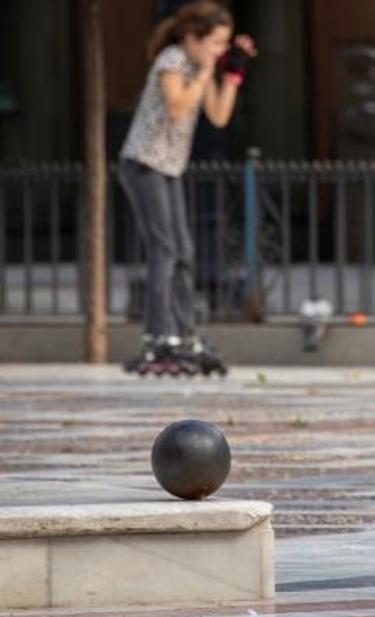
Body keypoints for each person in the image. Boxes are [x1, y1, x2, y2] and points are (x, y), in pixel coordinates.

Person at [119, 0, 256, 376]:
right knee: (164, 249)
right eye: (214, 43)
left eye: (223, 43)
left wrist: (232, 74)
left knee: (185, 250)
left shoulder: (197, 65)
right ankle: (158, 336)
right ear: (193, 38)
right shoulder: (173, 60)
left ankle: (184, 334)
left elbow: (218, 115)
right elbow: (178, 107)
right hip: (144, 163)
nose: (218, 50)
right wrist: (205, 71)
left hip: (169, 167)